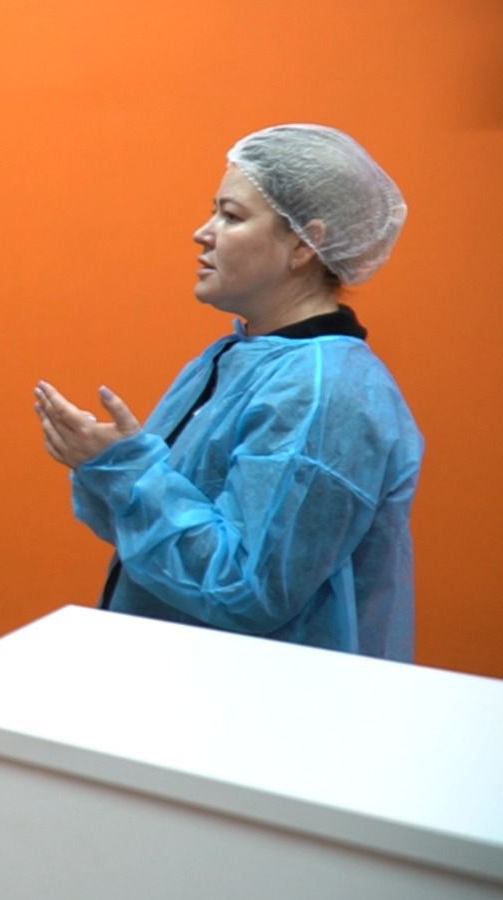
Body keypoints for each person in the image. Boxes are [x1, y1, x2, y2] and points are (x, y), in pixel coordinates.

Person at [35, 124, 422, 660]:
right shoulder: (239, 358)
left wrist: (127, 475)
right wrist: (110, 468)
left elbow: (247, 588)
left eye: (232, 216)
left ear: (304, 245)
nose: (203, 233)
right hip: (193, 685)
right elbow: (153, 539)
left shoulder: (321, 393)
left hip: (264, 700)